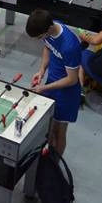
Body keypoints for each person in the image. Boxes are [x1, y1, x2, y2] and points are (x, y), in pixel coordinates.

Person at [26, 9, 82, 156]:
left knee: (58, 132)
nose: (40, 39)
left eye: (40, 36)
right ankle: (48, 157)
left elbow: (72, 79)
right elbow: (47, 47)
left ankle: (54, 164)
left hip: (67, 94)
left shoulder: (70, 46)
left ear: (49, 28)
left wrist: (44, 88)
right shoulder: (50, 29)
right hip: (52, 84)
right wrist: (41, 71)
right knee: (47, 128)